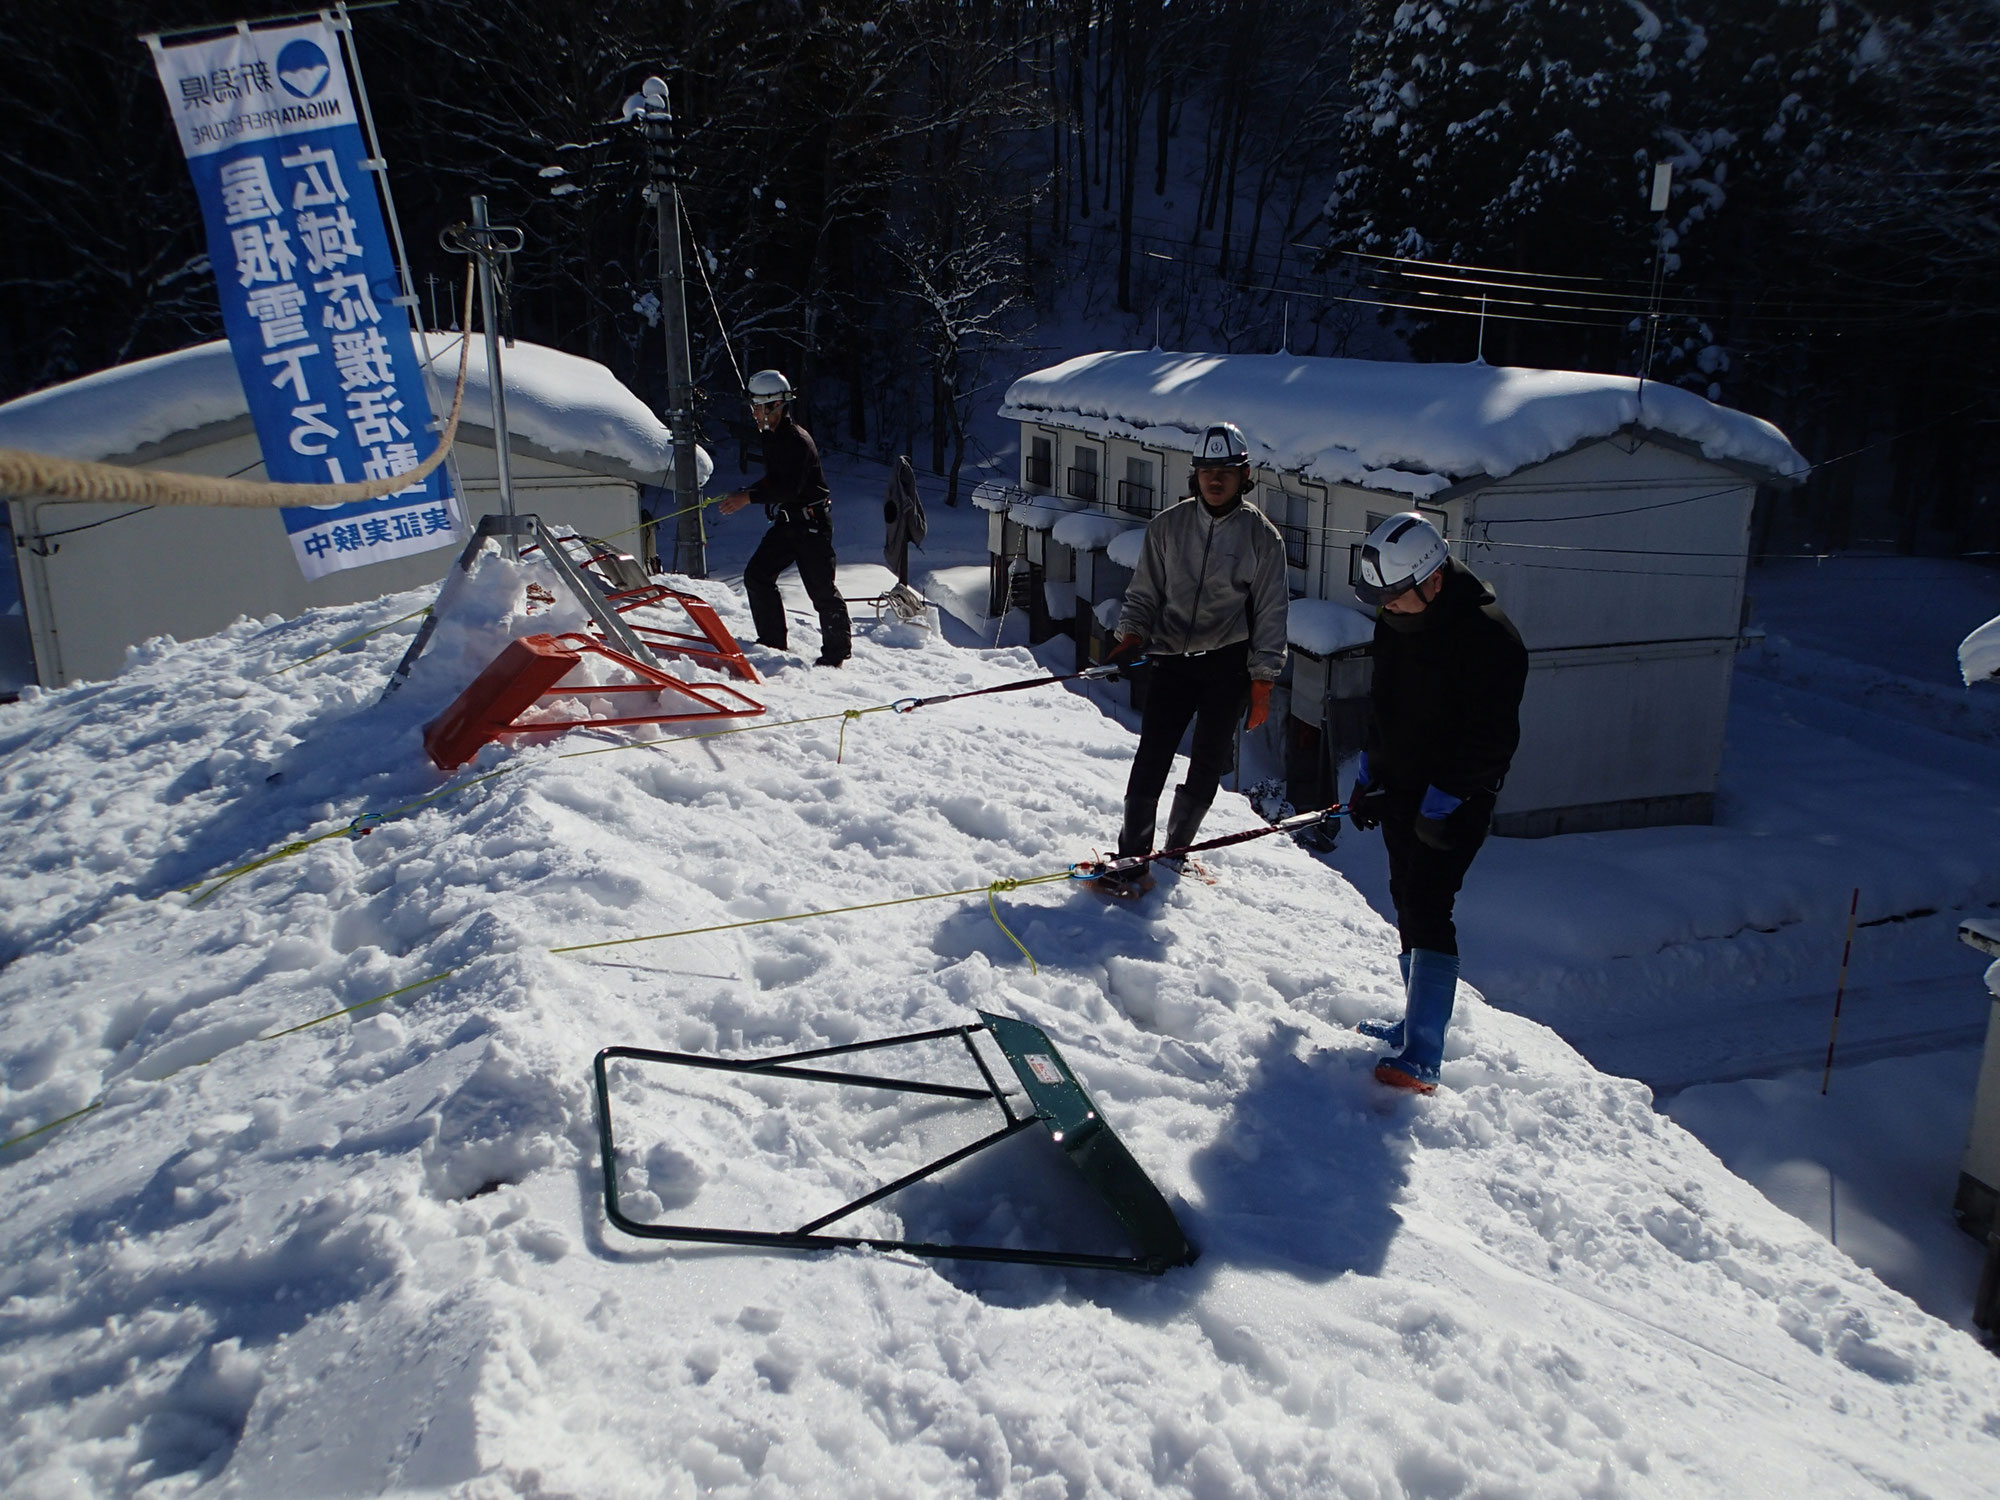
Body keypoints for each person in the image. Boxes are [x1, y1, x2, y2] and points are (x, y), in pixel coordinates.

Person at [1346, 511, 1529, 1093]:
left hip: (1455, 800)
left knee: (1430, 905)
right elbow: (1385, 703)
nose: (1386, 609)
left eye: (1396, 597)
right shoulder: (1395, 620)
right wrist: (1370, 768)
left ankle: (1424, 1052)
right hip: (1402, 787)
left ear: (1433, 581)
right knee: (1405, 896)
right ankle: (1411, 1021)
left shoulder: (1490, 639)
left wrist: (1443, 802)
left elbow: (1493, 738)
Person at [1099, 421, 1289, 893]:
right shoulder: (1168, 526)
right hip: (1172, 661)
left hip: (1227, 663)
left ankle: (1176, 850)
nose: (1215, 479)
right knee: (1152, 755)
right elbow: (1143, 593)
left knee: (1207, 762)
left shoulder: (1263, 539)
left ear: (1245, 475)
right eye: (1207, 470)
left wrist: (1263, 680)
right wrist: (1130, 635)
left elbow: (1271, 613)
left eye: (1226, 470)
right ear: (1195, 474)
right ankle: (1132, 860)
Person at [717, 369, 851, 666]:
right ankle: (772, 643)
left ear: (774, 405)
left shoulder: (796, 441)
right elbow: (774, 480)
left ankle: (836, 654)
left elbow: (788, 487)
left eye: (756, 407)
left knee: (821, 590)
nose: (752, 413)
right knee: (757, 575)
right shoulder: (772, 437)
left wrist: (747, 498)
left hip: (811, 524)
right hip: (790, 522)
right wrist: (747, 491)